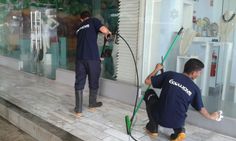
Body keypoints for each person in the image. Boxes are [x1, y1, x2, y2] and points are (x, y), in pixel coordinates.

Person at [144, 58, 221, 141]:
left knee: (149, 92)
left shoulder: (170, 75)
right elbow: (201, 109)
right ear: (193, 73)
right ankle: (179, 130)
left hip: (160, 118)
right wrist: (211, 116)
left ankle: (153, 127)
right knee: (178, 107)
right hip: (178, 122)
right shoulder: (195, 89)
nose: (199, 75)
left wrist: (157, 69)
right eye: (199, 72)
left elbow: (147, 81)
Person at [74, 11, 111, 117]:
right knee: (93, 80)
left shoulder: (78, 27)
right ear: (89, 17)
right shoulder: (93, 21)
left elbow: (85, 40)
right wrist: (107, 33)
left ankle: (78, 109)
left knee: (79, 82)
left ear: (81, 19)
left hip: (80, 59)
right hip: (92, 59)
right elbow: (104, 30)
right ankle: (92, 104)